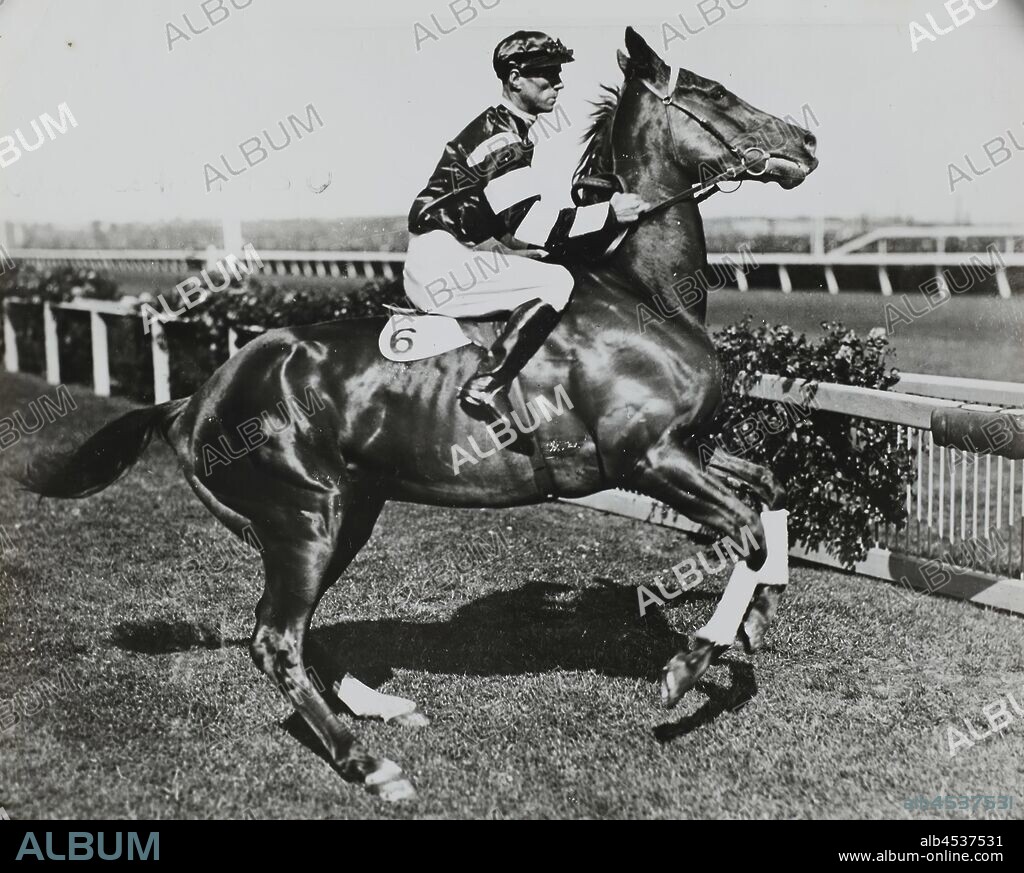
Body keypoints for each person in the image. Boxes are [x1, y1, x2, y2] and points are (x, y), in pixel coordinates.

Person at [405, 30, 649, 432]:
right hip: (440, 264)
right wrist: (610, 215)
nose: (558, 83)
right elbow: (530, 222)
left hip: (453, 253)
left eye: (558, 74)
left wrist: (515, 253)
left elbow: (503, 224)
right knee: (555, 282)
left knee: (546, 265)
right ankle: (486, 385)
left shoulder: (507, 129)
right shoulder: (499, 138)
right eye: (547, 75)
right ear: (515, 78)